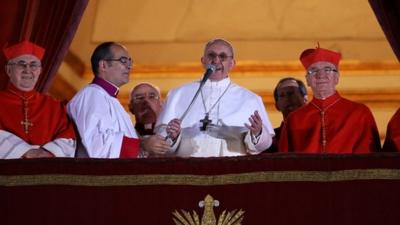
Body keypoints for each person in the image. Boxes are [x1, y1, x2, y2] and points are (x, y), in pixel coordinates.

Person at [155, 38, 275, 157]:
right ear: (203, 61)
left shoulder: (250, 99)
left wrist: (258, 133)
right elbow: (161, 140)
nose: (216, 60)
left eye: (222, 57)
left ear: (232, 63)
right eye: (211, 55)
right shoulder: (177, 94)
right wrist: (173, 136)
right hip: (189, 170)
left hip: (231, 170)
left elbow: (265, 144)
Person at [68, 42, 170, 158]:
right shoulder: (91, 95)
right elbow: (96, 144)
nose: (129, 66)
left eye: (129, 61)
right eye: (123, 60)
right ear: (103, 65)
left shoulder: (110, 99)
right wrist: (141, 145)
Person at [279, 45, 381, 153]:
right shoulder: (294, 119)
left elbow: (371, 159)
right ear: (307, 80)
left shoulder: (359, 113)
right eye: (313, 71)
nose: (320, 75)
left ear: (337, 78)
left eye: (327, 69)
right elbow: (284, 162)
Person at [0, 40, 76, 159]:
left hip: (45, 171)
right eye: (21, 64)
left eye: (33, 65)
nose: (28, 69)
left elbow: (68, 138)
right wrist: (25, 152)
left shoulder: (55, 106)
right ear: (8, 70)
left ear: (40, 71)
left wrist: (48, 153)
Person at [264, 77, 307, 152]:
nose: (287, 98)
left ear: (305, 99)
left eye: (291, 93)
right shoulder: (270, 140)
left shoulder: (319, 131)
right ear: (277, 106)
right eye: (282, 95)